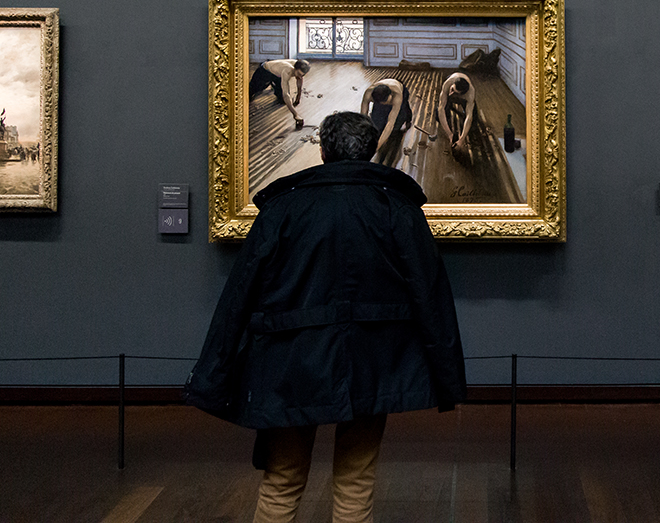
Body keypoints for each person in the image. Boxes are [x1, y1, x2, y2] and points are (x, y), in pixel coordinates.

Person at [185, 111, 466, 523]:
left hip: (291, 362)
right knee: (356, 484)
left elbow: (239, 294)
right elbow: (431, 292)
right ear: (372, 151)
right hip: (373, 360)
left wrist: (212, 373)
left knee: (282, 481)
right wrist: (447, 377)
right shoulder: (397, 207)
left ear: (322, 150)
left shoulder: (283, 207)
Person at [249, 59, 311, 128]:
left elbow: (299, 79)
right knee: (252, 91)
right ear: (294, 69)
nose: (300, 76)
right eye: (299, 74)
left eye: (302, 75)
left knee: (282, 100)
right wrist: (295, 115)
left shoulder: (299, 66)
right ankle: (269, 83)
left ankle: (273, 84)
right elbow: (286, 94)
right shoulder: (287, 71)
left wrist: (298, 98)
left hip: (278, 75)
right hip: (265, 71)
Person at [359, 78, 412, 151]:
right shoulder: (368, 94)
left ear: (390, 95)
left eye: (386, 102)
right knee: (376, 123)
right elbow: (363, 117)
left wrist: (376, 148)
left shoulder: (397, 96)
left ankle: (408, 117)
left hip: (400, 90)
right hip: (382, 97)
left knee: (397, 124)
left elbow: (390, 123)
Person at [437, 72, 477, 154]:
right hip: (452, 81)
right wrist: (449, 134)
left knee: (473, 119)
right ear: (453, 84)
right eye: (452, 90)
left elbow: (469, 117)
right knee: (439, 115)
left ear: (462, 95)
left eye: (454, 93)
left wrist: (462, 139)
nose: (451, 93)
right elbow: (441, 109)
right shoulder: (448, 83)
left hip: (463, 95)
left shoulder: (470, 93)